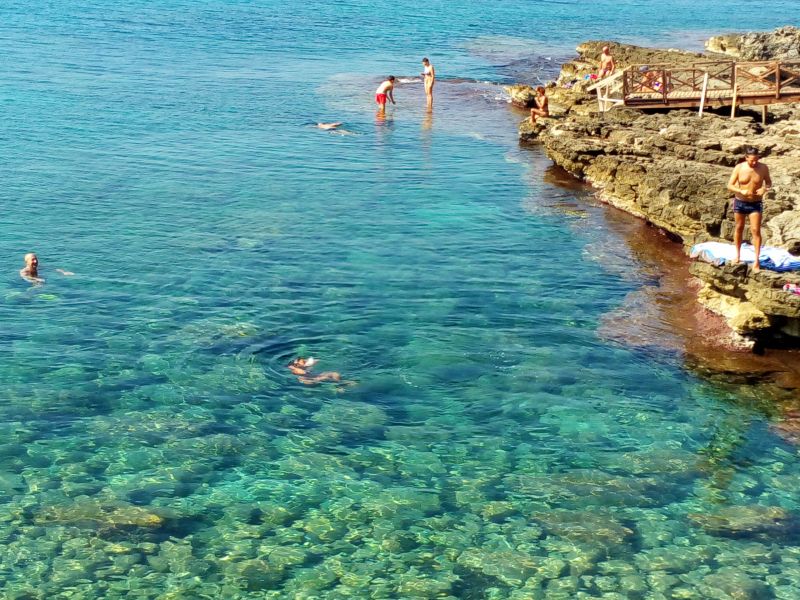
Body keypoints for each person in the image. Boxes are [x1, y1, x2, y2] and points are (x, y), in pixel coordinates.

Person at [726, 147, 772, 271]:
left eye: (757, 159)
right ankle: (737, 255)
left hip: (755, 203)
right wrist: (741, 190)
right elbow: (729, 185)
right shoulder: (739, 168)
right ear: (746, 158)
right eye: (752, 160)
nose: (754, 162)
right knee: (739, 228)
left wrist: (764, 189)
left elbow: (768, 183)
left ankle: (756, 260)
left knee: (756, 230)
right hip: (740, 202)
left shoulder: (763, 168)